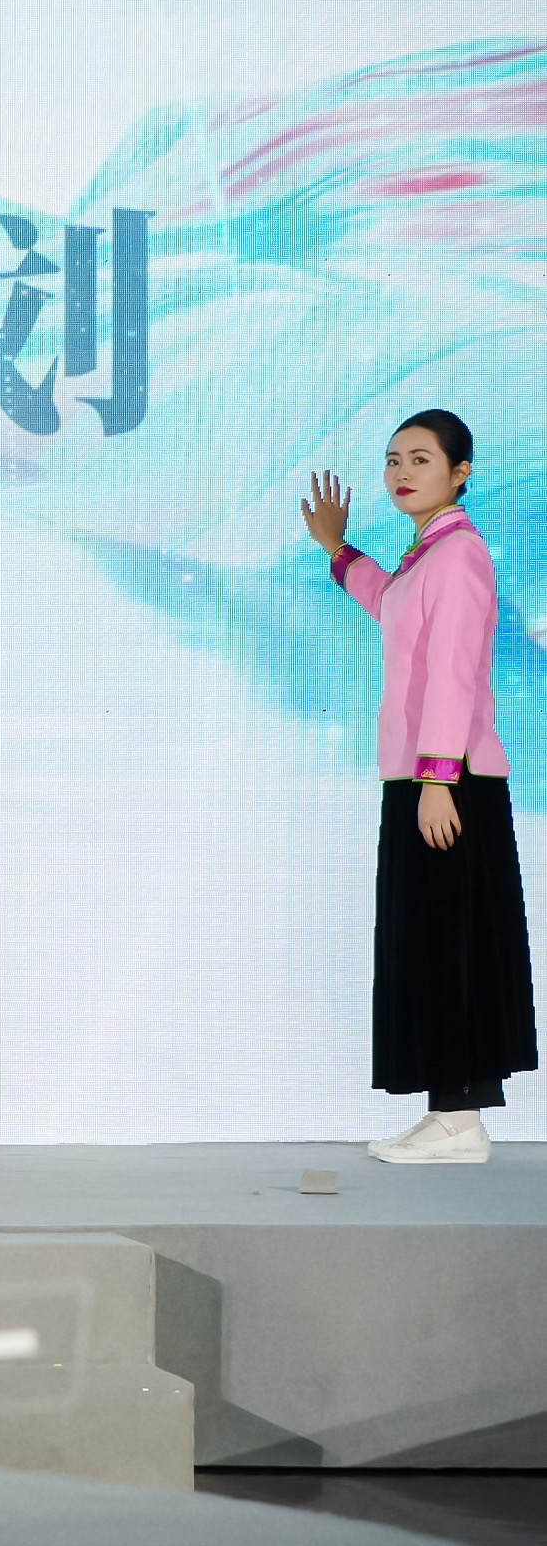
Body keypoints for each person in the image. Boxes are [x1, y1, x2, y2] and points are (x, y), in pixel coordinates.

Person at [302, 410, 534, 1163]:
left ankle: (461, 1121)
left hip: (448, 781)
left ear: (461, 473)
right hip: (424, 777)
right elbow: (389, 604)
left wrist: (438, 779)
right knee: (431, 940)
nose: (402, 471)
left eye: (422, 459)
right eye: (394, 458)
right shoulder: (427, 554)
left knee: (452, 941)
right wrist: (338, 550)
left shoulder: (459, 555)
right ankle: (451, 1114)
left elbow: (453, 676)